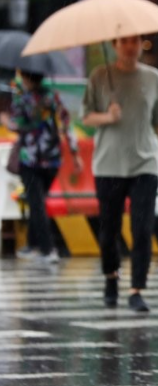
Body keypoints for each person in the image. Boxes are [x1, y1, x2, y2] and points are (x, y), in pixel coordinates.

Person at [81, 35, 158, 313]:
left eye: (134, 41)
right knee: (109, 230)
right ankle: (111, 277)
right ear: (114, 45)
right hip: (108, 165)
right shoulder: (100, 76)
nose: (129, 46)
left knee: (143, 229)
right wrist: (107, 117)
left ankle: (137, 289)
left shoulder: (154, 78)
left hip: (144, 165)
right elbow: (86, 117)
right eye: (123, 41)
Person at [10, 70, 82, 263]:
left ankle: (47, 248)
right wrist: (75, 154)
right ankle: (32, 245)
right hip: (52, 159)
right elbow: (67, 123)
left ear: (26, 77)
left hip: (31, 159)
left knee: (37, 203)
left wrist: (6, 120)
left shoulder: (22, 99)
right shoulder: (53, 97)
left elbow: (17, 125)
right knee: (38, 201)